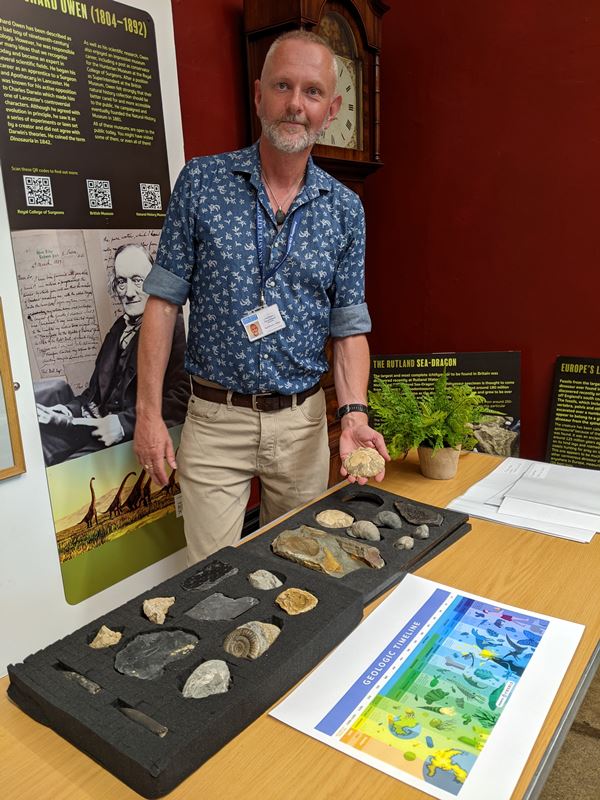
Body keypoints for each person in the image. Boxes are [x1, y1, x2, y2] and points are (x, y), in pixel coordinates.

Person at [134, 30, 389, 562]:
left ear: (331, 108)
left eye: (312, 92)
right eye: (283, 85)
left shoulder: (344, 210)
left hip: (301, 425)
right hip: (213, 420)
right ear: (258, 95)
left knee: (302, 572)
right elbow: (162, 303)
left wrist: (356, 414)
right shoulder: (202, 182)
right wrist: (149, 414)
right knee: (212, 577)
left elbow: (349, 327)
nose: (296, 104)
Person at [36, 243, 189, 466]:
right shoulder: (118, 329)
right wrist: (66, 411)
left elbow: (183, 399)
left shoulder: (176, 328)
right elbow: (93, 395)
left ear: (155, 281)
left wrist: (122, 423)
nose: (128, 292)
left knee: (63, 467)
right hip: (97, 427)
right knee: (41, 440)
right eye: (121, 282)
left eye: (138, 280)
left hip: (133, 437)